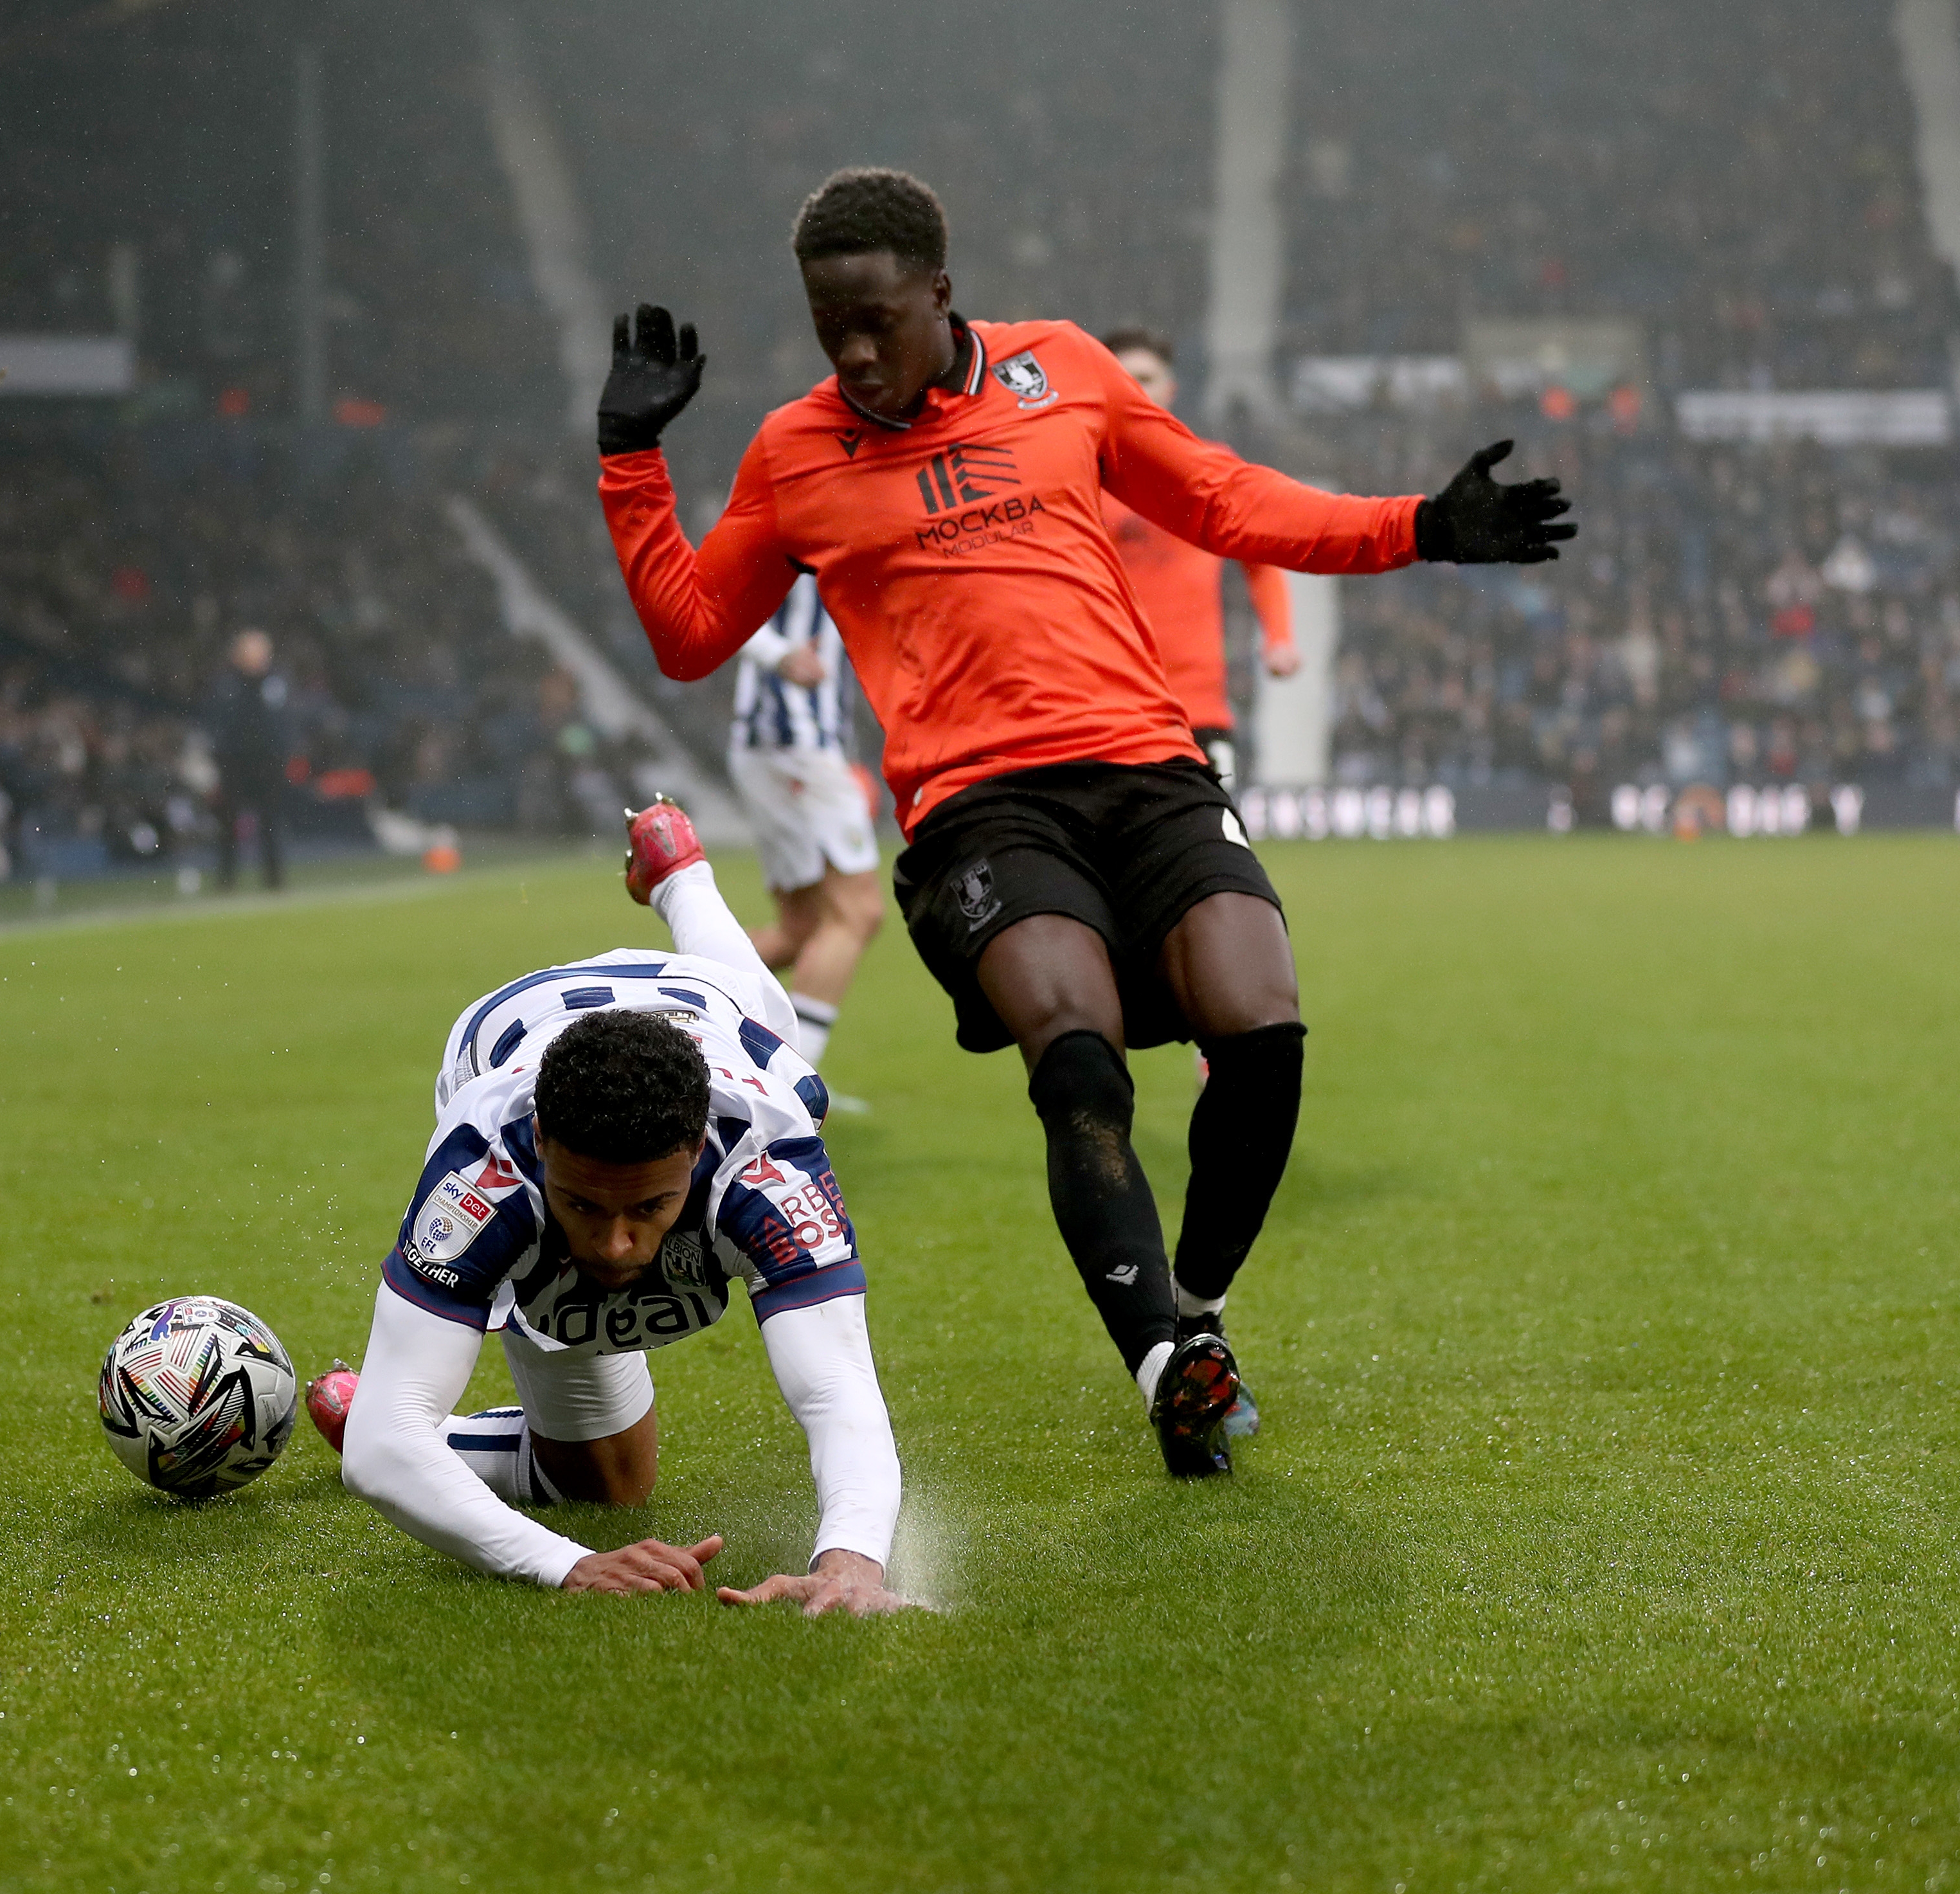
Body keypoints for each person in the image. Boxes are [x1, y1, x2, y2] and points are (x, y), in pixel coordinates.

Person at [591, 167, 1574, 1477]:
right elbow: (688, 635)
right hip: (976, 809)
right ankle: (1165, 1366)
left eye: (879, 318)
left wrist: (1418, 528)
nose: (857, 352)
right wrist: (630, 460)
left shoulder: (1064, 370)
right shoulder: (794, 451)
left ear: (942, 292)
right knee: (1076, 1058)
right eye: (831, 328)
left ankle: (1198, 1307)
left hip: (1147, 769)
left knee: (1263, 1028)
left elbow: (1224, 501)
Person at [321, 800, 911, 1614]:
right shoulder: (486, 1169)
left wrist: (853, 1563)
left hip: (712, 1007)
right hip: (508, 1027)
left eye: (651, 1204)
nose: (619, 1244)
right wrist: (567, 1563)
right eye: (582, 1205)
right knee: (609, 1488)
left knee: (760, 1005)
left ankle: (680, 874)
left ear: (699, 1157)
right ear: (543, 1152)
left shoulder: (767, 1165)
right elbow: (378, 1456)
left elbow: (837, 1388)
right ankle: (387, 1393)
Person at [1100, 327, 1298, 791]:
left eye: (1146, 377)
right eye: (1121, 377)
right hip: (1103, 713)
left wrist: (1280, 636)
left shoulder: (1210, 466)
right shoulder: (1073, 475)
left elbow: (1260, 557)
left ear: (1170, 389)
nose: (1135, 388)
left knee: (1214, 860)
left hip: (1197, 708)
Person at [725, 572, 885, 1075]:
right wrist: (777, 655)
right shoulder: (797, 513)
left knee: (801, 930)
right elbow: (709, 601)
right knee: (858, 912)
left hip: (791, 744)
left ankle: (662, 1008)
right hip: (792, 740)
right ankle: (790, 1083)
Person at [204, 627, 300, 891]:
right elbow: (217, 721)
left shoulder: (278, 681)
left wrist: (286, 751)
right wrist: (220, 755)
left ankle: (274, 880)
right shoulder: (226, 684)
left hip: (269, 762)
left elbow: (286, 719)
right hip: (234, 762)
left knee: (270, 821)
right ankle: (226, 880)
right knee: (228, 823)